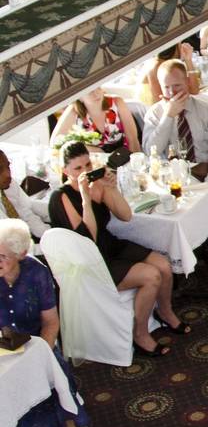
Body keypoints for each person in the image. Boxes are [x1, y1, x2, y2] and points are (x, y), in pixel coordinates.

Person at [48, 141, 189, 357]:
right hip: (90, 259)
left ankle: (165, 311)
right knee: (151, 276)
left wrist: (110, 188)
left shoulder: (97, 185)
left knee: (163, 265)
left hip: (110, 245)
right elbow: (89, 239)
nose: (85, 172)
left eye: (87, 165)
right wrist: (86, 199)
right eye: (78, 169)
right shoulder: (61, 198)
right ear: (65, 171)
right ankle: (140, 334)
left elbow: (126, 215)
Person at [0, 219, 89, 427]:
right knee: (13, 385)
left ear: (21, 254)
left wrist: (41, 357)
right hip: (4, 350)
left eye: (3, 256)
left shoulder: (35, 274)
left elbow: (51, 322)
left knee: (52, 372)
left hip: (39, 343)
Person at [143, 59, 208, 178]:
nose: (172, 92)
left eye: (177, 85)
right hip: (172, 178)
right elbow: (151, 152)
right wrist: (168, 116)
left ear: (187, 81)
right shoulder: (154, 114)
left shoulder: (206, 110)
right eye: (166, 87)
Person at [50, 87, 142, 153]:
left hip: (123, 157)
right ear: (79, 97)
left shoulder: (117, 102)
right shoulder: (74, 111)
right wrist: (86, 148)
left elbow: (133, 139)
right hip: (94, 164)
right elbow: (55, 142)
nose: (96, 94)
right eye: (89, 91)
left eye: (97, 88)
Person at [0, 149, 49, 240]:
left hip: (25, 236)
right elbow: (9, 240)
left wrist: (48, 235)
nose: (8, 174)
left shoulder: (8, 183)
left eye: (8, 166)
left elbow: (25, 212)